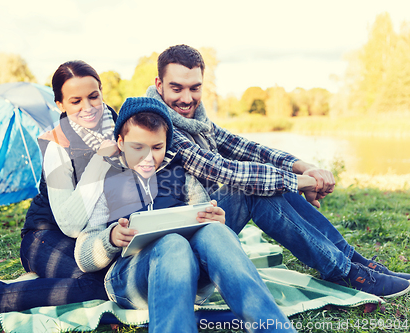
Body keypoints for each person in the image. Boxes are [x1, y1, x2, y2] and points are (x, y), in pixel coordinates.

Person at [142, 44, 410, 298]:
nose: (187, 98)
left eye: (195, 88)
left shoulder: (196, 121)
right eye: (176, 88)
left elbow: (247, 148)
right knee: (251, 190)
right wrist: (299, 182)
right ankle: (346, 272)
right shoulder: (158, 125)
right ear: (159, 84)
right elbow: (223, 171)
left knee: (271, 182)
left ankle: (355, 263)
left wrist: (304, 167)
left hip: (202, 225)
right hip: (175, 253)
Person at [0, 60, 118, 332]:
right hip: (45, 237)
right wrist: (101, 161)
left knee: (120, 279)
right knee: (99, 285)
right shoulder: (57, 146)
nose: (88, 108)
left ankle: (34, 284)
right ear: (60, 105)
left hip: (94, 238)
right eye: (76, 101)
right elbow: (71, 224)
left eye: (93, 96)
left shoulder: (120, 130)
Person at [75, 96, 297, 333]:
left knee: (214, 232)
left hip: (187, 278)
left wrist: (215, 221)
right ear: (120, 142)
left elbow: (203, 223)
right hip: (129, 280)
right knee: (171, 242)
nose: (148, 159)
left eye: (157, 148)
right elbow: (83, 256)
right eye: (137, 147)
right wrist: (110, 238)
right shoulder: (105, 180)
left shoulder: (183, 177)